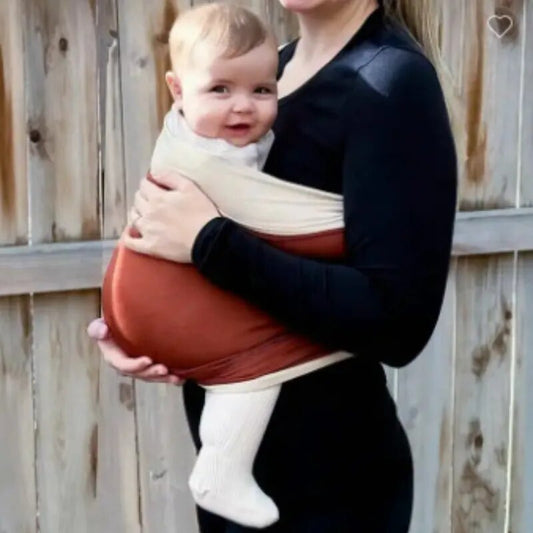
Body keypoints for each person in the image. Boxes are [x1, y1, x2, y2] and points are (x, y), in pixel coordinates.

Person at [88, 0, 458, 531]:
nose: (248, 102)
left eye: (259, 95)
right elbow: (194, 228)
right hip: (234, 470)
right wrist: (131, 323)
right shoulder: (265, 69)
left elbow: (399, 322)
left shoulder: (389, 82)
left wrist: (209, 241)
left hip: (327, 485)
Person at [102, 4, 355, 528]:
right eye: (220, 90)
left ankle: (223, 465)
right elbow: (274, 216)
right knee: (261, 361)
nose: (244, 107)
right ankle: (222, 467)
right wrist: (358, 220)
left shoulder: (207, 137)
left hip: (148, 300)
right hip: (164, 300)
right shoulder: (209, 159)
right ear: (177, 90)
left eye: (262, 91)